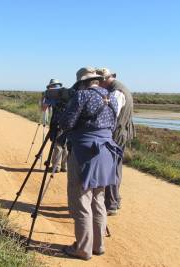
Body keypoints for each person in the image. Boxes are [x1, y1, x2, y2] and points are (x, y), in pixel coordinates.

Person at [59, 67, 122, 260]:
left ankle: (82, 249)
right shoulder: (111, 96)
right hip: (106, 151)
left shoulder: (82, 96)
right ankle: (98, 245)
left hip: (85, 152)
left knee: (81, 200)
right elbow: (112, 124)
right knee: (98, 199)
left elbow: (66, 124)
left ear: (82, 83)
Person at [96, 68, 135, 215]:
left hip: (116, 134)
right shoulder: (119, 88)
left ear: (105, 80)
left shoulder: (116, 93)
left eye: (99, 81)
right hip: (121, 133)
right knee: (115, 168)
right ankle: (115, 200)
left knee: (110, 168)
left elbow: (112, 115)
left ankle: (111, 203)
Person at [43, 79, 68, 172]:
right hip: (68, 122)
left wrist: (44, 99)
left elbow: (43, 108)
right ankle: (64, 166)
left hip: (57, 122)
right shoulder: (65, 95)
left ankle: (55, 167)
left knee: (57, 144)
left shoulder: (52, 97)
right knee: (65, 144)